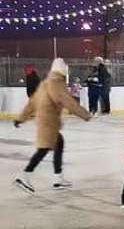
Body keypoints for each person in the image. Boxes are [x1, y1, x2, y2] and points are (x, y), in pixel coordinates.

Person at [13, 58, 91, 194]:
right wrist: (85, 115)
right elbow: (69, 103)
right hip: (49, 123)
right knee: (43, 150)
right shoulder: (57, 84)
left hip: (44, 121)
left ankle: (57, 178)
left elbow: (32, 104)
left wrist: (20, 118)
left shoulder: (45, 83)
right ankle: (24, 175)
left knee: (58, 144)